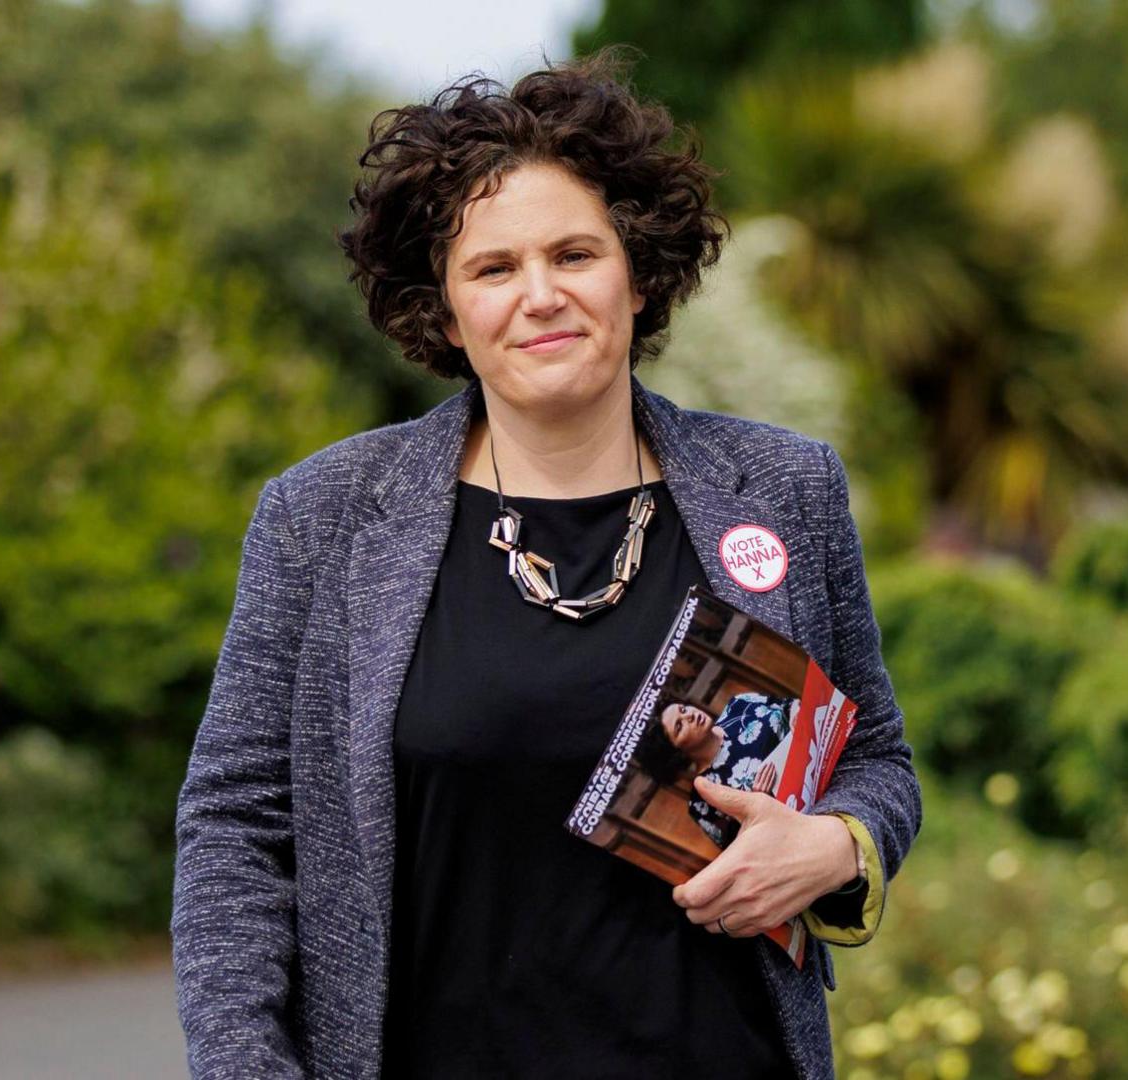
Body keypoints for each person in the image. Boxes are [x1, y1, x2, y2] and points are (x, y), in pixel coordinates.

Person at [171, 46, 922, 1080]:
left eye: (575, 254)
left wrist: (837, 846)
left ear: (639, 270)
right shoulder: (324, 518)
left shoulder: (785, 487)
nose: (541, 296)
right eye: (493, 268)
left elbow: (876, 754)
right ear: (441, 309)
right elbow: (236, 826)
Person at [650, 695, 799, 846]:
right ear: (676, 753)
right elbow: (743, 848)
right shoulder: (702, 802)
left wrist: (795, 711)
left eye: (683, 709)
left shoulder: (739, 703)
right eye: (679, 726)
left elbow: (788, 704)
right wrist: (757, 804)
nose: (689, 715)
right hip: (802, 820)